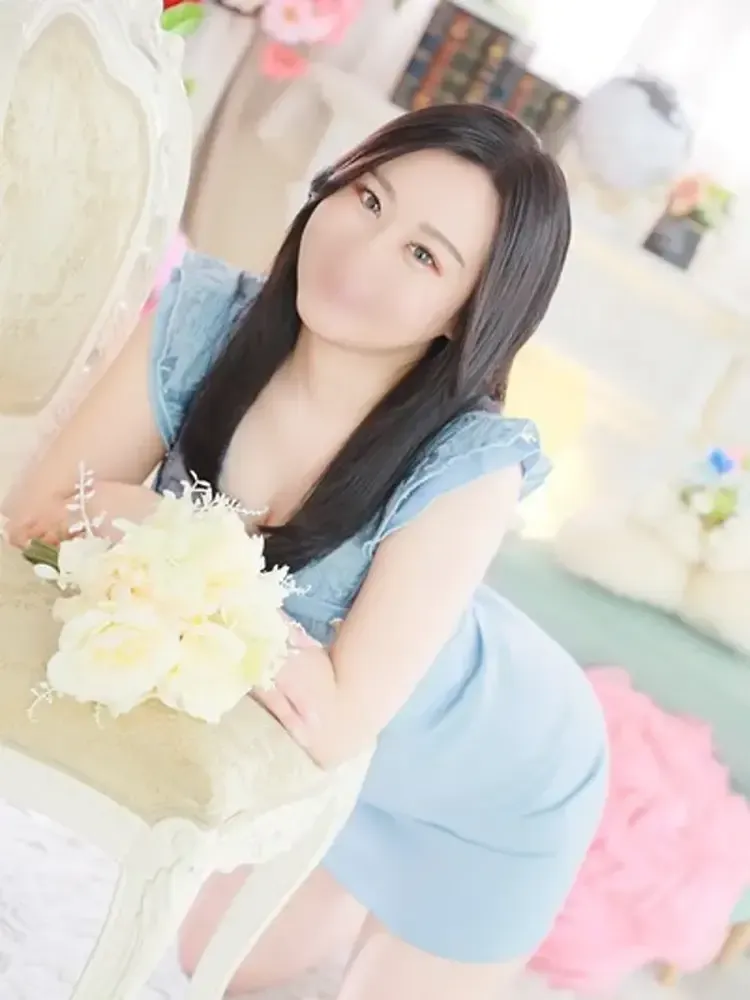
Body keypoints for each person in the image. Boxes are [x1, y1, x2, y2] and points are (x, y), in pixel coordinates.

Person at [4, 104, 607, 999]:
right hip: (334, 757)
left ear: (468, 313)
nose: (361, 254)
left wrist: (151, 523)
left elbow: (336, 721)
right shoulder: (206, 322)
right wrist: (223, 593)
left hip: (498, 782)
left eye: (423, 255)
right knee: (212, 963)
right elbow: (38, 520)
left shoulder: (471, 465)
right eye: (369, 199)